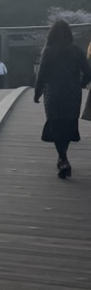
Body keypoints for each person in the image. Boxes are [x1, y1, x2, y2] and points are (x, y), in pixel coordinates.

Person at [33, 20, 91, 178]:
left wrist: (37, 92)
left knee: (56, 122)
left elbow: (42, 74)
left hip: (54, 92)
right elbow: (88, 72)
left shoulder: (49, 51)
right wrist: (80, 84)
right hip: (72, 92)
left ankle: (63, 158)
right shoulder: (77, 51)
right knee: (67, 123)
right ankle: (63, 157)